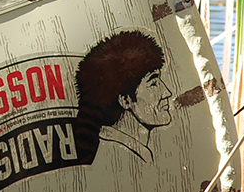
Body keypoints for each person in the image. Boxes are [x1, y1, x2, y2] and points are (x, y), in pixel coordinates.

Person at [73, 30, 173, 163]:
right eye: (153, 83)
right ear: (125, 100)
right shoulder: (119, 159)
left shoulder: (127, 154)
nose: (167, 92)